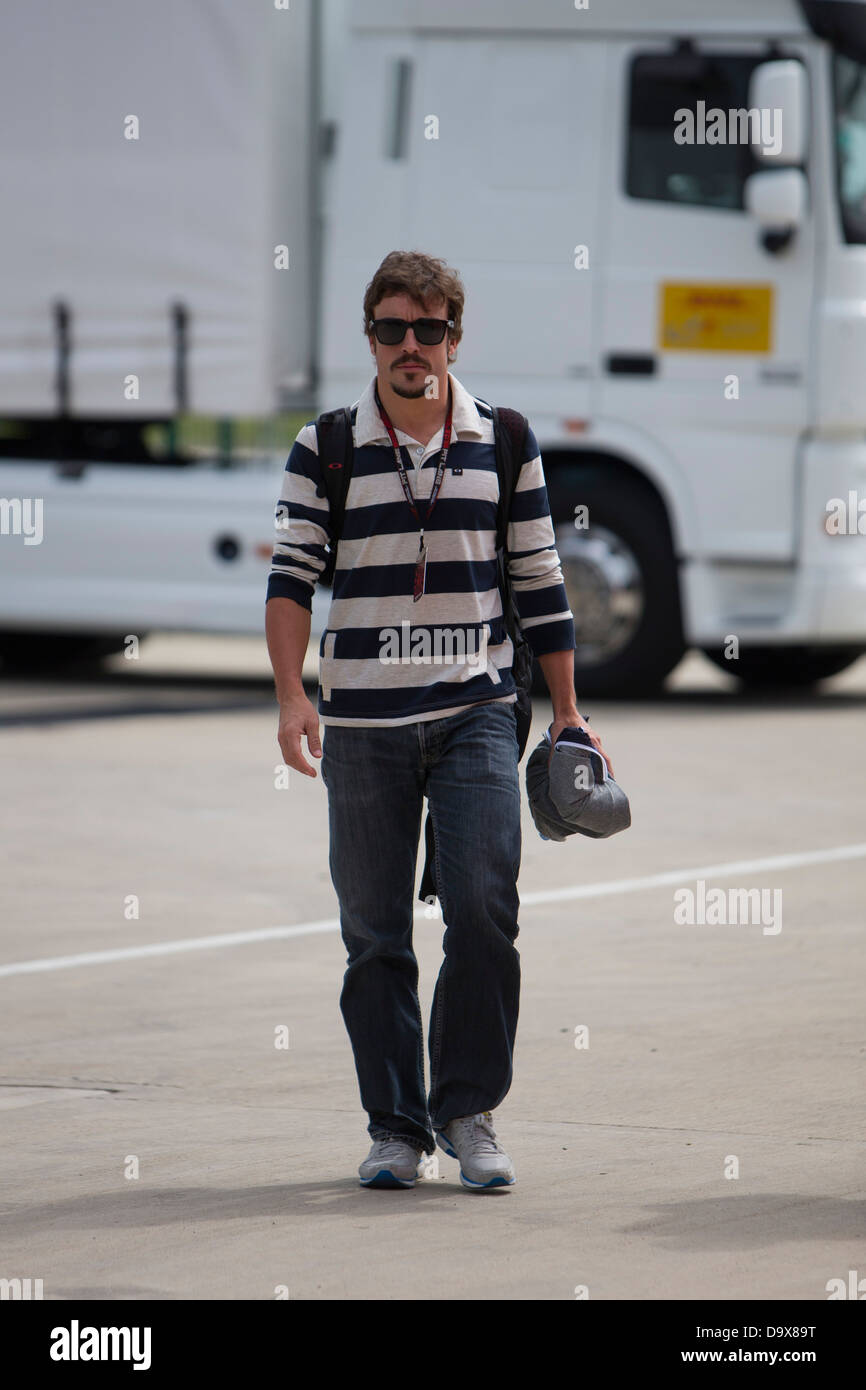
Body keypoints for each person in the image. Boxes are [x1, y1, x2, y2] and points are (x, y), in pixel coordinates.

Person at [265, 250, 611, 1191]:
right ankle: (395, 1127)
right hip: (364, 728)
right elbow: (292, 576)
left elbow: (540, 583)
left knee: (484, 915)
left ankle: (468, 1111)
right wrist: (294, 695)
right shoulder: (325, 446)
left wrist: (570, 715)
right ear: (370, 336)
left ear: (455, 336)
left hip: (477, 714)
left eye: (427, 329)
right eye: (391, 329)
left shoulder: (507, 440)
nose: (409, 347)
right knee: (374, 933)